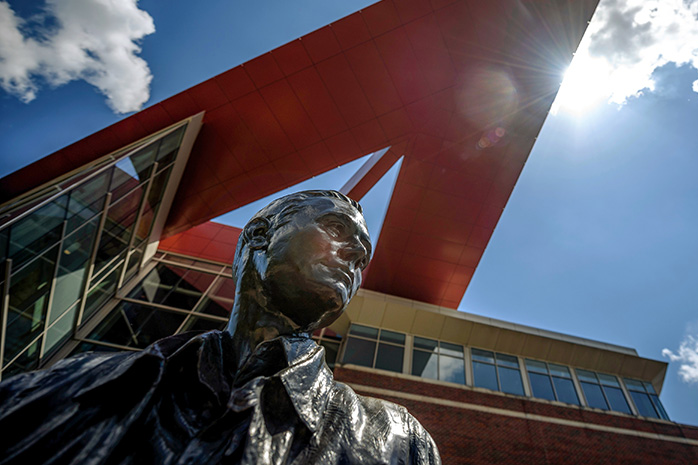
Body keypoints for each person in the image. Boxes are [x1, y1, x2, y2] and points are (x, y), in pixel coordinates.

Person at [0, 190, 440, 465]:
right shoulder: (67, 388)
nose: (355, 257)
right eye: (336, 228)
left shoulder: (399, 441)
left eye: (363, 258)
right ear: (261, 235)